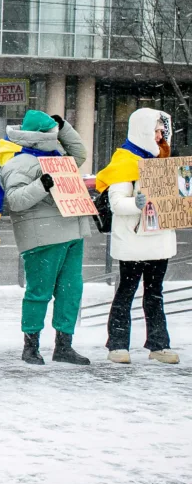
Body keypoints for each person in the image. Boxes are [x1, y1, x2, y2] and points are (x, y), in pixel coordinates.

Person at [0, 110, 91, 365]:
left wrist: (65, 128)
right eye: (51, 131)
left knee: (70, 292)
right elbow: (15, 200)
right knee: (39, 292)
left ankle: (64, 345)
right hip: (43, 237)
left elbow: (80, 154)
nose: (55, 135)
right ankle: (31, 346)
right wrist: (43, 185)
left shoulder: (59, 158)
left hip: (72, 230)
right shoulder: (18, 164)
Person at [97, 109, 180, 365]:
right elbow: (116, 204)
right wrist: (137, 203)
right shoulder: (124, 162)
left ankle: (159, 344)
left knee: (155, 292)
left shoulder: (164, 160)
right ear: (142, 131)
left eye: (161, 131)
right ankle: (118, 344)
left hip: (159, 239)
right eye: (155, 131)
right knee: (127, 291)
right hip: (134, 241)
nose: (159, 136)